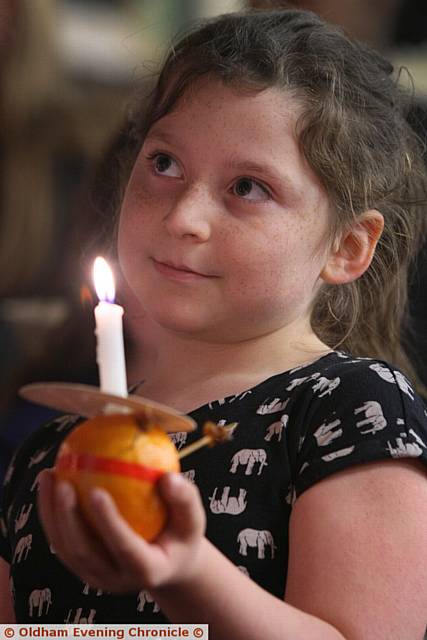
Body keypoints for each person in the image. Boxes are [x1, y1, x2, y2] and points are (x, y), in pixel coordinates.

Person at [1, 7, 427, 638]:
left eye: (248, 188)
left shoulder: (350, 411)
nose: (183, 219)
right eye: (165, 164)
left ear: (347, 247)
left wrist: (186, 575)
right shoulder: (54, 451)